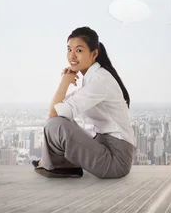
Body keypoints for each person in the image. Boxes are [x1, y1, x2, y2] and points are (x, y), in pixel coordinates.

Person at [32, 26, 136, 178]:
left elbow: (53, 113)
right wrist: (65, 81)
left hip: (116, 159)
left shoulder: (99, 80)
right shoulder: (93, 78)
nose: (72, 56)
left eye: (79, 50)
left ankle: (57, 165)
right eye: (69, 50)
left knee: (55, 125)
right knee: (59, 121)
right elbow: (59, 108)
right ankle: (62, 165)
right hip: (105, 147)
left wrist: (64, 82)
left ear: (94, 54)